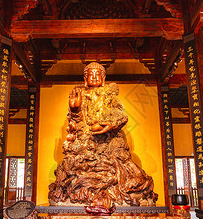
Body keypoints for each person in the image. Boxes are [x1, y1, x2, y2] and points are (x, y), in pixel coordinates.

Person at [48, 62, 157, 207]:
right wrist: (75, 110)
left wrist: (110, 125)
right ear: (85, 78)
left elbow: (122, 115)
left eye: (97, 74)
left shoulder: (110, 96)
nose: (93, 77)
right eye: (90, 75)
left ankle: (119, 187)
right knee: (72, 163)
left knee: (127, 167)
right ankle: (81, 188)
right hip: (87, 141)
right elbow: (76, 123)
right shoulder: (80, 94)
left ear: (103, 78)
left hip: (109, 140)